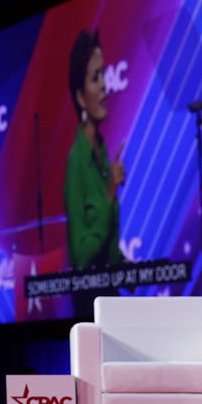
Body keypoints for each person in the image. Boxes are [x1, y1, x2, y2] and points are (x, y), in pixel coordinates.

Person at [63, 28, 126, 271]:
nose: (104, 86)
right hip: (88, 303)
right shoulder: (76, 161)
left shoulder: (102, 150)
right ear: (80, 97)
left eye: (103, 75)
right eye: (95, 78)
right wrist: (109, 194)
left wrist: (132, 270)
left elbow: (108, 250)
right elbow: (81, 257)